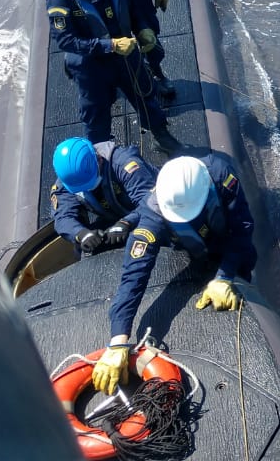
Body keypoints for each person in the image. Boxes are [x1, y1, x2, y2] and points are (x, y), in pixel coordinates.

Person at [91, 152, 256, 395]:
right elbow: (133, 278)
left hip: (229, 244)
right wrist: (118, 340)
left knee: (245, 264)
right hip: (193, 248)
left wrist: (224, 276)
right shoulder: (154, 215)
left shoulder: (220, 174)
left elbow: (242, 227)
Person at [46, 0, 177, 150]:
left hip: (125, 51)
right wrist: (110, 46)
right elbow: (65, 40)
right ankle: (103, 155)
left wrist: (142, 28)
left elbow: (130, 7)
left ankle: (161, 134)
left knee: (145, 93)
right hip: (91, 63)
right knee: (95, 112)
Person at [50, 137, 157, 255]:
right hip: (113, 217)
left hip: (152, 211)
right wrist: (81, 234)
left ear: (99, 159)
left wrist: (127, 222)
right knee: (83, 248)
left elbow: (151, 201)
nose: (87, 189)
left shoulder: (124, 163)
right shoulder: (70, 179)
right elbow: (63, 218)